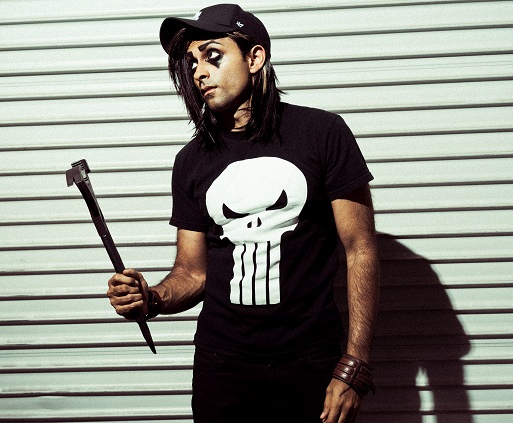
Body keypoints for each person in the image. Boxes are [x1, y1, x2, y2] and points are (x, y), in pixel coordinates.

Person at [107, 4, 380, 422]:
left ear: (254, 58)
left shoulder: (323, 133)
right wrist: (151, 298)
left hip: (310, 360)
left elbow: (360, 250)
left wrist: (354, 366)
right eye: (192, 62)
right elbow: (193, 273)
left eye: (213, 56)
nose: (199, 73)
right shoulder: (191, 161)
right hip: (223, 366)